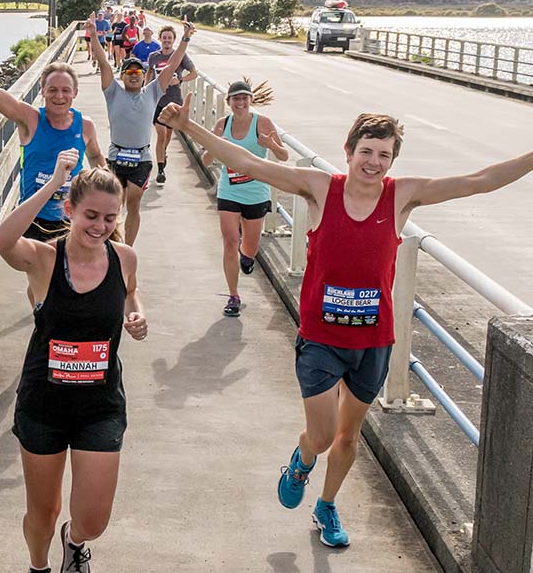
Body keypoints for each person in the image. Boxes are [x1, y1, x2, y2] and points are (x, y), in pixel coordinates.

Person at [159, 101, 533, 549]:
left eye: (384, 156)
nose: (374, 163)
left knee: (348, 436)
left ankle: (327, 506)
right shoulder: (320, 189)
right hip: (321, 338)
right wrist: (186, 125)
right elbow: (247, 162)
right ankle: (301, 461)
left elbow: (478, 181)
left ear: (393, 161)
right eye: (367, 152)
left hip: (373, 342)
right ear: (349, 151)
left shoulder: (402, 195)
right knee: (320, 435)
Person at [0, 149, 148, 573]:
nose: (99, 225)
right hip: (44, 405)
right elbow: (3, 240)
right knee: (42, 510)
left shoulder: (124, 258)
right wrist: (55, 180)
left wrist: (136, 316)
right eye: (90, 216)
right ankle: (38, 570)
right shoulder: (42, 259)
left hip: (99, 406)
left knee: (93, 519)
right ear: (70, 211)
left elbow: (132, 293)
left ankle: (75, 542)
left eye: (108, 217)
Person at [0, 17, 104, 243]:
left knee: (64, 276)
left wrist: (107, 190)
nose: (59, 96)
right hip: (32, 219)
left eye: (65, 90)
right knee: (40, 278)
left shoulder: (85, 126)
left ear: (75, 93)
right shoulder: (30, 119)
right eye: (52, 90)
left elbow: (95, 156)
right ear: (42, 91)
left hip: (71, 218)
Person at [87, 12, 196, 244]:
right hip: (116, 156)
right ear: (123, 75)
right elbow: (104, 63)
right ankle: (113, 244)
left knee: (134, 203)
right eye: (130, 73)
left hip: (141, 158)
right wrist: (95, 35)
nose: (134, 76)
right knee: (115, 205)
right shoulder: (113, 92)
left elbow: (174, 63)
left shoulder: (152, 92)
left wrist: (185, 38)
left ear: (143, 76)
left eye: (138, 72)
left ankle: (127, 248)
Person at [202, 79, 289, 318]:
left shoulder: (262, 123)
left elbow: (283, 156)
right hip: (229, 190)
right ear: (228, 102)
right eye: (235, 99)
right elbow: (206, 160)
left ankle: (247, 257)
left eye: (244, 98)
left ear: (251, 100)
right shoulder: (222, 124)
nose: (240, 103)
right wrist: (216, 147)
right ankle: (233, 296)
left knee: (249, 247)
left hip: (256, 192)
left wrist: (271, 144)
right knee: (229, 242)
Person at [145, 23, 197, 185]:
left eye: (170, 38)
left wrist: (179, 79)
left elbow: (194, 73)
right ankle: (161, 170)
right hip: (157, 101)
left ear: (174, 40)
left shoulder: (180, 56)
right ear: (159, 39)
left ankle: (163, 154)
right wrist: (145, 92)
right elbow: (149, 74)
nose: (167, 40)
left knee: (167, 136)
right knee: (161, 135)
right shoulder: (154, 56)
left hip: (174, 102)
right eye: (164, 37)